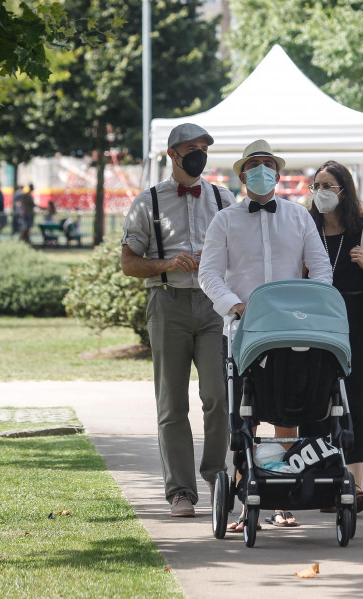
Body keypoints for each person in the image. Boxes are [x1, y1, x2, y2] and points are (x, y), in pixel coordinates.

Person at [199, 139, 333, 529]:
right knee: (244, 416)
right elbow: (208, 274)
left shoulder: (298, 217)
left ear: (277, 171)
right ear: (242, 175)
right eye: (255, 164)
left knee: (287, 411)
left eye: (268, 163)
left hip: (292, 329)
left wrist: (312, 302)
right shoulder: (224, 220)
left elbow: (321, 267)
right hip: (243, 329)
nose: (263, 169)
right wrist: (234, 303)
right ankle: (246, 501)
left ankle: (282, 496)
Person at [121, 123, 234, 517]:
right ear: (173, 154)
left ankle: (216, 473)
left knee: (219, 397)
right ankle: (180, 491)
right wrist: (168, 262)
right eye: (191, 147)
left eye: (204, 147)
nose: (199, 153)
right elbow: (128, 263)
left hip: (213, 305)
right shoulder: (147, 202)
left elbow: (240, 253)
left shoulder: (224, 198)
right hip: (167, 302)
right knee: (171, 402)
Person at [305, 160, 363, 512]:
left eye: (328, 185)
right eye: (316, 186)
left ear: (344, 190)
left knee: (357, 399)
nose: (321, 192)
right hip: (316, 322)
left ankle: (355, 486)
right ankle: (318, 479)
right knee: (315, 398)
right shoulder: (307, 227)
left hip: (356, 321)